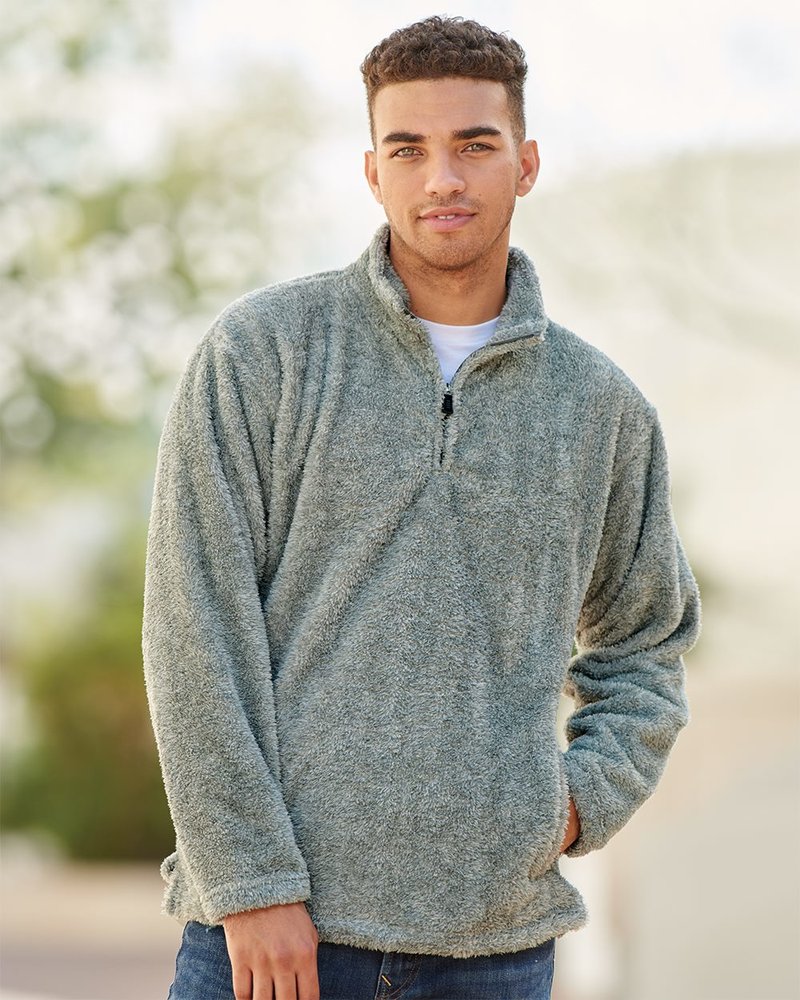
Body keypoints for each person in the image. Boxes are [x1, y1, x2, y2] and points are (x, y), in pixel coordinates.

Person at [142, 15, 701, 1000]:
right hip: (273, 937)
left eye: (473, 146)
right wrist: (251, 885)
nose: (441, 178)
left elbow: (645, 642)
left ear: (525, 164)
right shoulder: (262, 354)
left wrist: (567, 806)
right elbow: (195, 629)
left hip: (494, 952)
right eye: (408, 149)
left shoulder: (600, 409)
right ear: (373, 172)